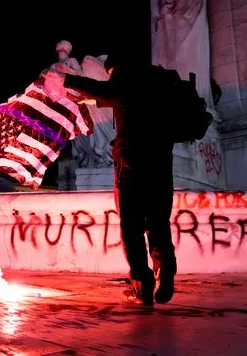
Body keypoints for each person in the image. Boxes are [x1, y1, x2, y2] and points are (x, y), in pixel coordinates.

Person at [43, 54, 182, 306]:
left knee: (132, 225)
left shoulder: (123, 78)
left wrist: (65, 78)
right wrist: (95, 98)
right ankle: (166, 272)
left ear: (113, 69)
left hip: (131, 163)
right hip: (161, 162)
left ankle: (142, 283)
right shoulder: (158, 80)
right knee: (159, 223)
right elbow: (116, 97)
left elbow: (103, 89)